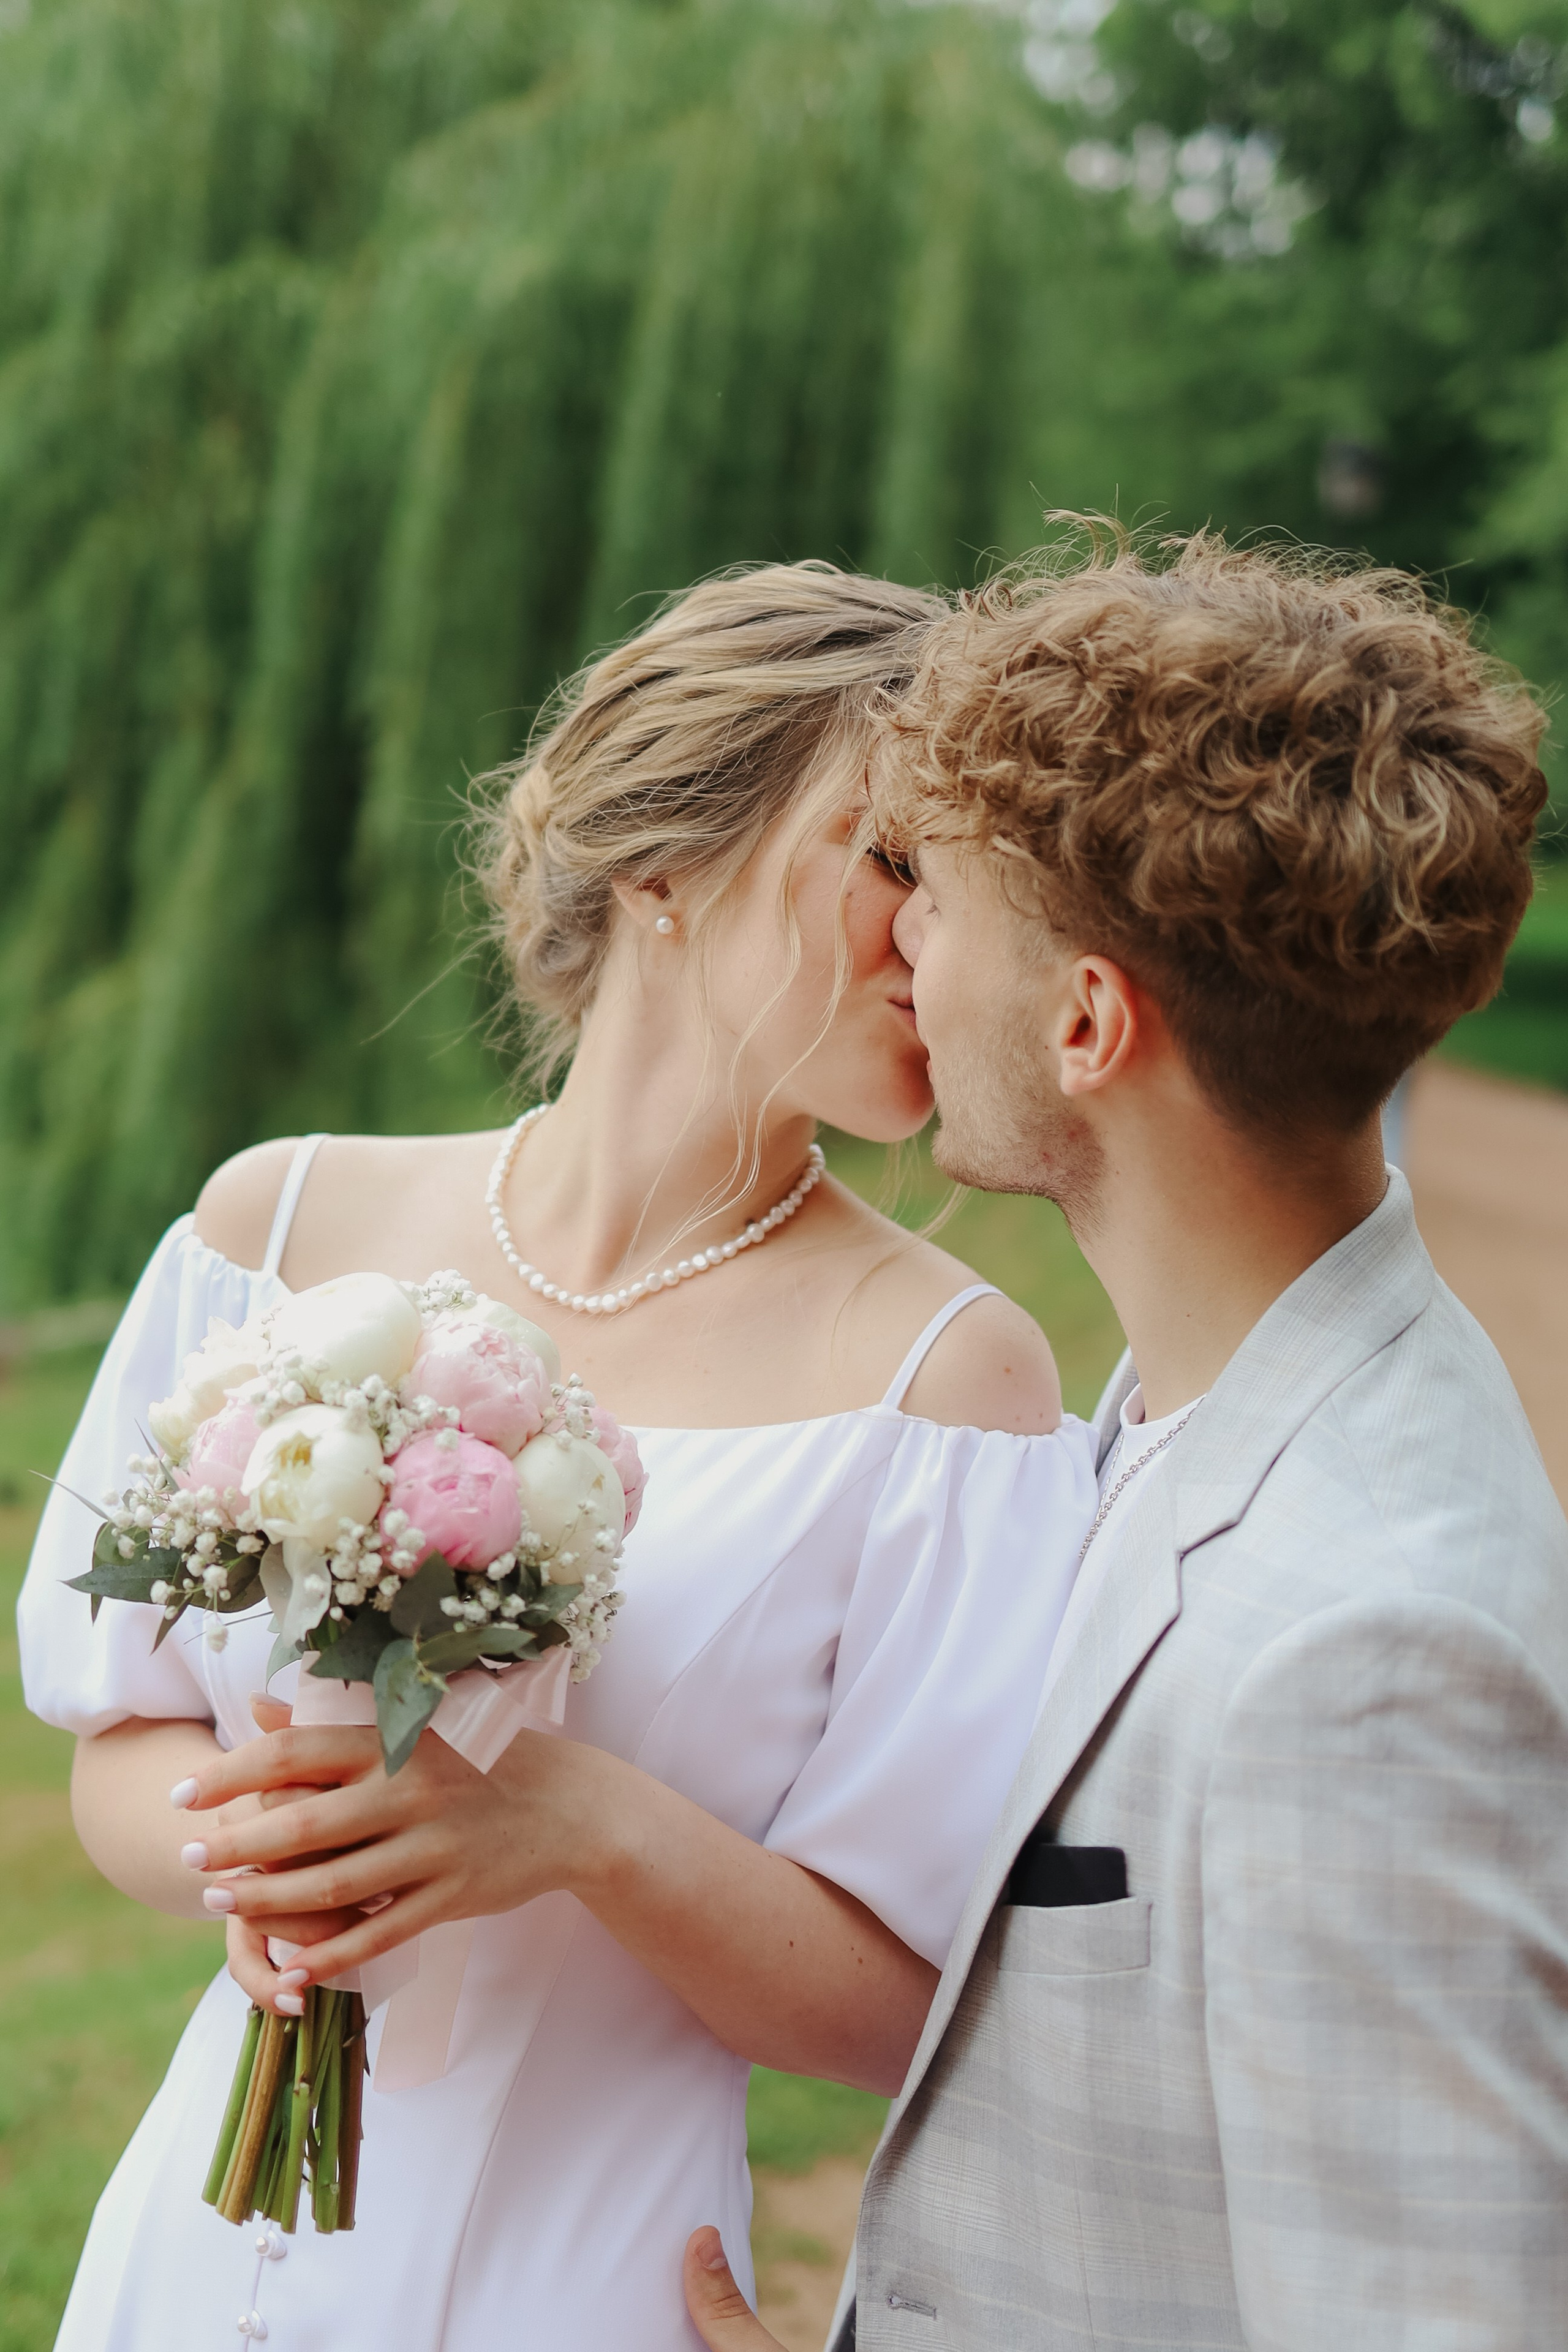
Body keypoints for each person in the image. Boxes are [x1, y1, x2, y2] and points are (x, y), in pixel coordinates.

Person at [18, 563, 1102, 2352]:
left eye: (979, 888)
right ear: (665, 857)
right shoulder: (277, 1227)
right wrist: (263, 1866)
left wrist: (584, 1829)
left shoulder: (943, 1386)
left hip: (582, 2278)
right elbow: (118, 1748)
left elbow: (917, 2012)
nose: (939, 941)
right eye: (895, 859)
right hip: (203, 2259)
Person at [682, 530, 1568, 2351]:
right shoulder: (1230, 1392)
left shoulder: (1367, 1657)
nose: (895, 933)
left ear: (1088, 1023)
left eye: (944, 898)